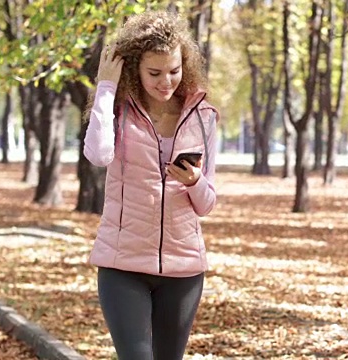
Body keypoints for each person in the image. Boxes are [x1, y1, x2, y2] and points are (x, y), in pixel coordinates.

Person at [83, 10, 219, 360]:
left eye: (174, 71)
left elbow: (206, 203)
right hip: (122, 265)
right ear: (135, 70)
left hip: (184, 268)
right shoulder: (119, 110)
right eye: (154, 73)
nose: (166, 82)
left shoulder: (202, 117)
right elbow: (98, 155)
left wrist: (194, 181)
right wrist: (106, 88)